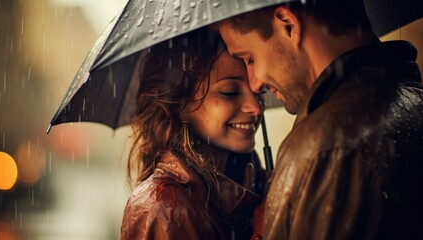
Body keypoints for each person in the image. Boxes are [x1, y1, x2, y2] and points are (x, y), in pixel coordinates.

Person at [218, 1, 423, 239]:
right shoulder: (411, 96)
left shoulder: (321, 150)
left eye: (249, 58)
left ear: (288, 25)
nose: (254, 83)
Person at [120, 27, 269, 240]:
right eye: (229, 92)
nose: (256, 107)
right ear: (179, 102)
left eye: (258, 91)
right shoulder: (161, 208)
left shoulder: (257, 184)